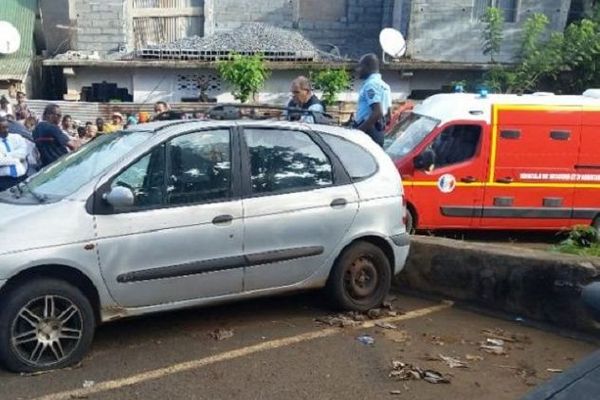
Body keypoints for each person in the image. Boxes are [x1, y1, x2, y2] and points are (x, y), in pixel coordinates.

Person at [354, 53, 392, 147]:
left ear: (367, 67)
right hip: (378, 132)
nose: (357, 70)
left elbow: (378, 112)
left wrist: (359, 131)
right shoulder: (385, 86)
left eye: (360, 67)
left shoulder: (370, 85)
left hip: (368, 132)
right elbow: (388, 116)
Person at [0, 116, 28, 191]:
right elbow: (1, 161)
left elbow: (23, 153)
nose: (6, 130)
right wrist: (17, 159)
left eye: (7, 127)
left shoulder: (17, 137)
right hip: (4, 181)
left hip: (22, 177)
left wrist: (6, 155)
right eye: (3, 128)